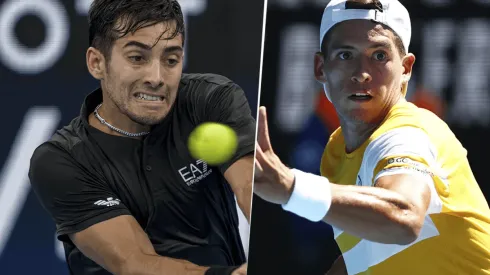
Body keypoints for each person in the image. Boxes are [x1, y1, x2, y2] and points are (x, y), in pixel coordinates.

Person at [253, 0, 490, 274]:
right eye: (345, 55)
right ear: (320, 68)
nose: (362, 73)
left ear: (406, 69)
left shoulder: (408, 132)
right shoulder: (336, 153)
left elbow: (404, 218)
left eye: (379, 55)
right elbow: (367, 254)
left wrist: (291, 187)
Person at [28, 1, 254, 274]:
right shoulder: (60, 160)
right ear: (97, 63)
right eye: (137, 58)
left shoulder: (211, 100)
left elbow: (251, 189)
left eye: (171, 60)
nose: (157, 77)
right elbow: (134, 264)